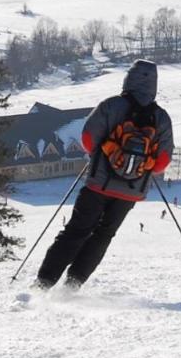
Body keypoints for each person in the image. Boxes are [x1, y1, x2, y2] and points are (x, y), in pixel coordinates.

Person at [34, 60, 173, 291]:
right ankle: (73, 285)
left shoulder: (112, 105)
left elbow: (88, 138)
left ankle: (44, 283)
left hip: (99, 183)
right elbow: (162, 162)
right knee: (104, 235)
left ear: (128, 79)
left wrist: (104, 157)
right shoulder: (161, 118)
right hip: (131, 191)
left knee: (77, 230)